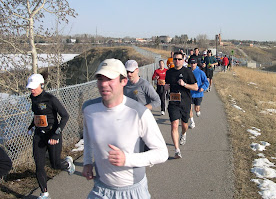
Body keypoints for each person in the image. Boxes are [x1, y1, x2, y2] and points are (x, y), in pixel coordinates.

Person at [82, 58, 168, 199]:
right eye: (100, 79)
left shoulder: (139, 113)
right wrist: (86, 163)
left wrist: (127, 159)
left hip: (132, 191)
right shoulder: (89, 109)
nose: (103, 84)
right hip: (101, 189)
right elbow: (88, 137)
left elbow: (162, 153)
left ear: (124, 81)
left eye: (109, 79)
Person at [26, 74, 75, 199]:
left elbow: (65, 116)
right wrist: (32, 126)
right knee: (39, 165)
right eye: (30, 88)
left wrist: (56, 134)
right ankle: (44, 193)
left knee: (55, 164)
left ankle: (68, 164)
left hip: (52, 135)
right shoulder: (32, 98)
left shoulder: (50, 99)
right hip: (39, 136)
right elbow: (38, 114)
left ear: (41, 85)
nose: (32, 90)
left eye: (34, 87)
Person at [165, 52, 198, 159]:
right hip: (173, 102)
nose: (177, 61)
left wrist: (185, 84)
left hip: (185, 102)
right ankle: (177, 150)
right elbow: (166, 85)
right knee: (174, 125)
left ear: (183, 60)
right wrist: (165, 87)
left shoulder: (187, 72)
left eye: (179, 59)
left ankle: (183, 134)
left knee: (184, 125)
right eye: (175, 59)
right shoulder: (169, 72)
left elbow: (195, 87)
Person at [189, 58, 209, 129]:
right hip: (189, 94)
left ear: (196, 64)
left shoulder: (200, 72)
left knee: (196, 109)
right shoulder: (187, 71)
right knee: (189, 109)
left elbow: (206, 82)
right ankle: (192, 122)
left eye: (194, 63)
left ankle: (198, 111)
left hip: (198, 93)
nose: (192, 65)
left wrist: (203, 88)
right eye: (191, 63)